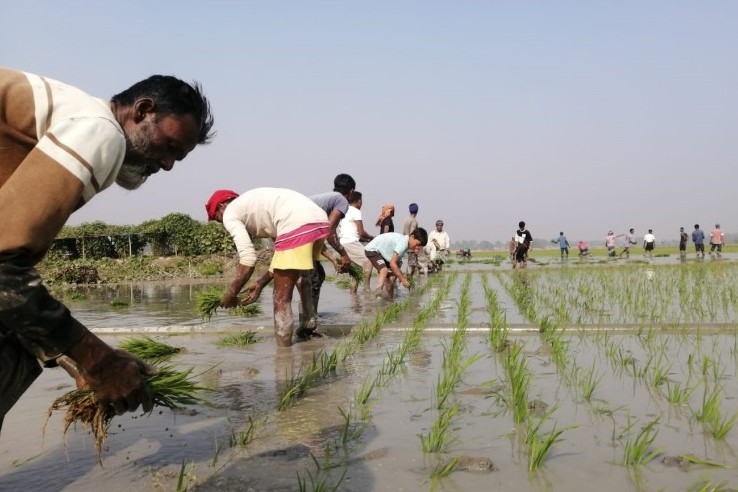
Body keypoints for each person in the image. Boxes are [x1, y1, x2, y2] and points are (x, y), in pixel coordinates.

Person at [0, 67, 215, 432]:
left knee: (17, 347)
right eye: (170, 147)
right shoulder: (100, 131)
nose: (166, 165)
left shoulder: (70, 117)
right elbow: (5, 266)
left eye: (177, 159)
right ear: (143, 111)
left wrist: (79, 360)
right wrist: (99, 361)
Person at [205, 188, 331, 347]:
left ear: (221, 206)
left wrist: (230, 294)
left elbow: (248, 259)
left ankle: (283, 355)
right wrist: (260, 284)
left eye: (217, 219)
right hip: (319, 220)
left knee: (281, 298)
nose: (222, 224)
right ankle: (308, 325)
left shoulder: (230, 213)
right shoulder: (255, 207)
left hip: (297, 222)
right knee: (301, 276)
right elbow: (280, 258)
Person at [306, 174, 355, 329]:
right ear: (351, 191)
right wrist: (344, 254)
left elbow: (319, 236)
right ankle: (309, 321)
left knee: (315, 275)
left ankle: (310, 317)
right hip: (300, 235)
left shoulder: (323, 199)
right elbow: (329, 231)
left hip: (298, 233)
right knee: (313, 278)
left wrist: (333, 259)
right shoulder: (341, 200)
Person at [365, 228, 428, 299]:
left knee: (392, 277)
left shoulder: (407, 244)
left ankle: (389, 300)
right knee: (384, 270)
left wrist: (401, 275)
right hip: (373, 249)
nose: (417, 247)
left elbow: (395, 262)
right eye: (417, 244)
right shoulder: (403, 243)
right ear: (412, 237)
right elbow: (392, 263)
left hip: (385, 253)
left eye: (420, 246)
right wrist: (403, 279)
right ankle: (378, 295)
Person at [338, 191, 374, 293]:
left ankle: (353, 295)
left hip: (343, 243)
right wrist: (371, 237)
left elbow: (354, 232)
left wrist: (366, 239)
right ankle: (367, 289)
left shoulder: (344, 211)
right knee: (368, 261)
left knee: (356, 270)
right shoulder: (356, 211)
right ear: (359, 201)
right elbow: (361, 232)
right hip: (351, 243)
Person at [403, 203, 420, 275]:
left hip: (406, 243)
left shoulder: (406, 219)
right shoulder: (414, 221)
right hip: (411, 245)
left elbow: (404, 232)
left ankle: (408, 280)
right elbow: (413, 233)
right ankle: (409, 281)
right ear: (417, 211)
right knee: (412, 264)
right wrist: (415, 247)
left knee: (410, 262)